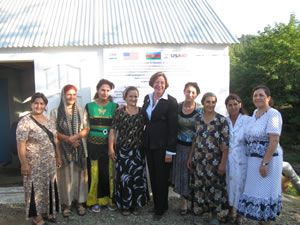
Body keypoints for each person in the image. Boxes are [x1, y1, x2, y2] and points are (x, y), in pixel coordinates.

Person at [237, 85, 283, 225]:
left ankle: (265, 222)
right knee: (256, 192)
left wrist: (265, 163)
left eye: (261, 95)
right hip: (253, 160)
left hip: (268, 161)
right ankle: (260, 222)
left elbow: (274, 139)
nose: (257, 98)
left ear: (268, 98)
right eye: (255, 95)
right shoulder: (255, 113)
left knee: (265, 193)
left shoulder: (273, 114)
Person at [16, 93, 62, 225]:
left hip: (49, 162)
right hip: (33, 163)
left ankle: (48, 212)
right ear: (31, 104)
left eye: (42, 104)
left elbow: (55, 140)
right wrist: (24, 164)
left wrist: (58, 156)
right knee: (34, 189)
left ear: (45, 106)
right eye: (36, 103)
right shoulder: (25, 122)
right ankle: (36, 217)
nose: (39, 106)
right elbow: (21, 144)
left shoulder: (49, 120)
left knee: (48, 187)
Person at [187, 92, 229, 225]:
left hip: (215, 161)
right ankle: (198, 214)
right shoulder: (198, 119)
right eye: (208, 102)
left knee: (214, 187)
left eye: (213, 102)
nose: (211, 104)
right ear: (203, 103)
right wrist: (190, 157)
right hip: (199, 160)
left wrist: (223, 164)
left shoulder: (221, 120)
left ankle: (214, 216)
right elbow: (195, 139)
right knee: (199, 186)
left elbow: (225, 145)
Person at [142, 72, 178, 221]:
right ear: (152, 83)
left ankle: (161, 208)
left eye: (162, 82)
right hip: (149, 144)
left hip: (163, 146)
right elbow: (143, 117)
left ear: (166, 84)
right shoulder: (147, 98)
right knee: (154, 176)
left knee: (162, 177)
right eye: (157, 82)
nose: (159, 85)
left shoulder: (171, 101)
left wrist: (170, 150)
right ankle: (157, 204)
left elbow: (173, 127)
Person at [108, 86, 149, 216]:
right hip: (123, 151)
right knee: (124, 179)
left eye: (135, 96)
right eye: (130, 96)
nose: (133, 98)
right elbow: (113, 130)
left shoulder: (142, 112)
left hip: (138, 152)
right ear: (125, 97)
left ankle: (135, 205)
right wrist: (111, 148)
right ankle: (125, 205)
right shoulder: (120, 111)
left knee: (137, 179)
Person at [50, 85, 89, 217]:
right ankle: (66, 204)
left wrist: (75, 138)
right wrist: (68, 139)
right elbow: (53, 131)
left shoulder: (82, 110)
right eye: (68, 94)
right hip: (63, 150)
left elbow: (86, 128)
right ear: (63, 95)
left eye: (74, 94)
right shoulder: (55, 112)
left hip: (79, 148)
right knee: (65, 177)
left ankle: (80, 202)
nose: (71, 97)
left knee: (80, 176)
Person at [85, 79, 118, 213]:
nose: (105, 93)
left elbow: (114, 128)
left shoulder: (115, 107)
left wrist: (111, 147)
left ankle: (109, 200)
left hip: (108, 146)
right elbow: (84, 126)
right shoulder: (89, 106)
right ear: (97, 90)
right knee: (94, 173)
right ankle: (94, 201)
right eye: (102, 90)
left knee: (108, 173)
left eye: (108, 90)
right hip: (93, 145)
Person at [172, 82, 202, 216]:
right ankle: (183, 202)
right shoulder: (177, 107)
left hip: (195, 148)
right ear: (184, 91)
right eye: (188, 91)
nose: (190, 94)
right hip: (179, 146)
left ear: (196, 95)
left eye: (193, 92)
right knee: (181, 174)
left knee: (193, 175)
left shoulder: (201, 109)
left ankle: (194, 202)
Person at [223, 93, 251, 225]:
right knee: (229, 185)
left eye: (235, 104)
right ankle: (230, 211)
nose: (233, 107)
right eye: (230, 105)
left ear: (240, 105)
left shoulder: (248, 120)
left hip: (242, 159)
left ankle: (239, 215)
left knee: (241, 186)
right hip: (228, 158)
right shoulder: (224, 121)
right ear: (227, 107)